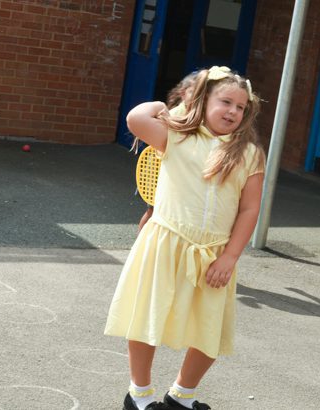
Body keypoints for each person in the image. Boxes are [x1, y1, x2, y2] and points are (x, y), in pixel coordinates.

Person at [105, 65, 265, 410]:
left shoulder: (249, 154)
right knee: (147, 319)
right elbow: (136, 118)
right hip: (165, 243)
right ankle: (139, 395)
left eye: (241, 107)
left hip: (214, 255)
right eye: (225, 102)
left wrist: (230, 257)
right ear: (203, 100)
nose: (233, 111)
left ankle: (182, 395)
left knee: (209, 330)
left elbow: (250, 209)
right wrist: (174, 108)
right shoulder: (175, 136)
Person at [137, 72, 198, 232]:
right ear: (183, 93)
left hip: (177, 171)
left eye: (203, 94)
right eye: (194, 92)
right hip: (158, 170)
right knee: (153, 211)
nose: (199, 97)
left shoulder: (202, 117)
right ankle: (140, 242)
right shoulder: (173, 115)